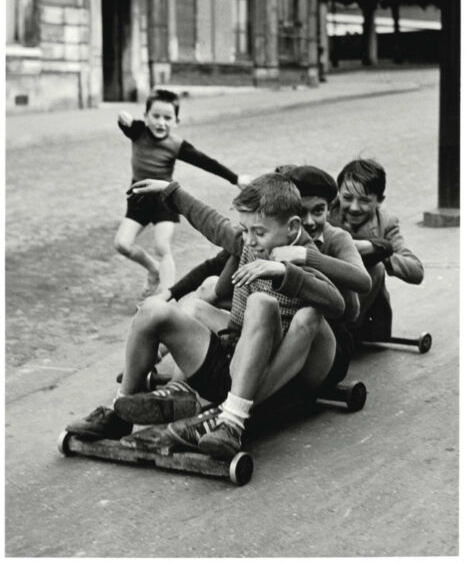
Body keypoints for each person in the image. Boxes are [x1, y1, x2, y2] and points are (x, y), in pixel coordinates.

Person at [67, 174, 345, 459]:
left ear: (292, 227)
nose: (250, 241)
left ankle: (231, 424)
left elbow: (337, 303)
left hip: (269, 377)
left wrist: (286, 272)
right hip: (230, 360)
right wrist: (172, 192)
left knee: (262, 303)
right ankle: (120, 411)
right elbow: (212, 223)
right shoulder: (249, 242)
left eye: (259, 233)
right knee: (153, 310)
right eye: (245, 230)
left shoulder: (302, 255)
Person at [156, 164, 371, 390]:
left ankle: (246, 398)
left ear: (330, 209)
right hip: (279, 324)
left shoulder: (334, 238)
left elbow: (354, 297)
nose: (309, 221)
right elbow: (216, 249)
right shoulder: (264, 235)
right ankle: (172, 376)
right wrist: (171, 293)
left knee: (305, 315)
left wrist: (305, 256)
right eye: (301, 212)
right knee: (208, 288)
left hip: (321, 337)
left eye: (318, 211)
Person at [114, 88, 249, 299]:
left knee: (162, 246)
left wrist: (235, 178)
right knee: (122, 244)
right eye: (155, 116)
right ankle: (153, 269)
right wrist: (123, 120)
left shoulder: (176, 145)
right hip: (137, 198)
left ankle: (165, 300)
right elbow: (126, 125)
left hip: (164, 199)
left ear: (177, 121)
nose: (161, 122)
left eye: (167, 118)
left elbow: (206, 162)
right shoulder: (138, 131)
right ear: (146, 117)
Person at [329, 158, 424, 341]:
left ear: (380, 201)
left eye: (364, 200)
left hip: (362, 315)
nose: (354, 208)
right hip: (329, 297)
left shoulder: (386, 222)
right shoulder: (324, 213)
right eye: (347, 198)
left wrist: (379, 252)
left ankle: (346, 329)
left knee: (376, 267)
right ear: (338, 193)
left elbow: (416, 271)